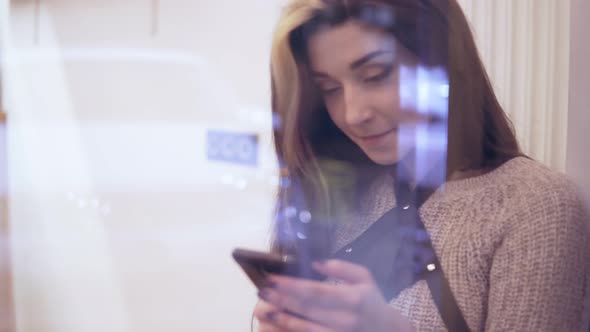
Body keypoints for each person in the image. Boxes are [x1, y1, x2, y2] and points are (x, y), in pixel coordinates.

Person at [253, 0, 590, 331]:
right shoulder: (340, 191)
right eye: (329, 89)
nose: (353, 114)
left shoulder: (533, 206)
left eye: (376, 75)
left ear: (443, 62)